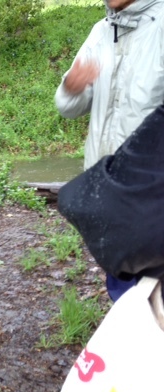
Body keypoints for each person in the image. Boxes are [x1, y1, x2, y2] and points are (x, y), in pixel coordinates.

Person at [54, 0, 164, 301]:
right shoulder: (101, 32)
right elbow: (68, 107)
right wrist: (71, 87)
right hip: (110, 189)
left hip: (153, 193)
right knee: (122, 288)